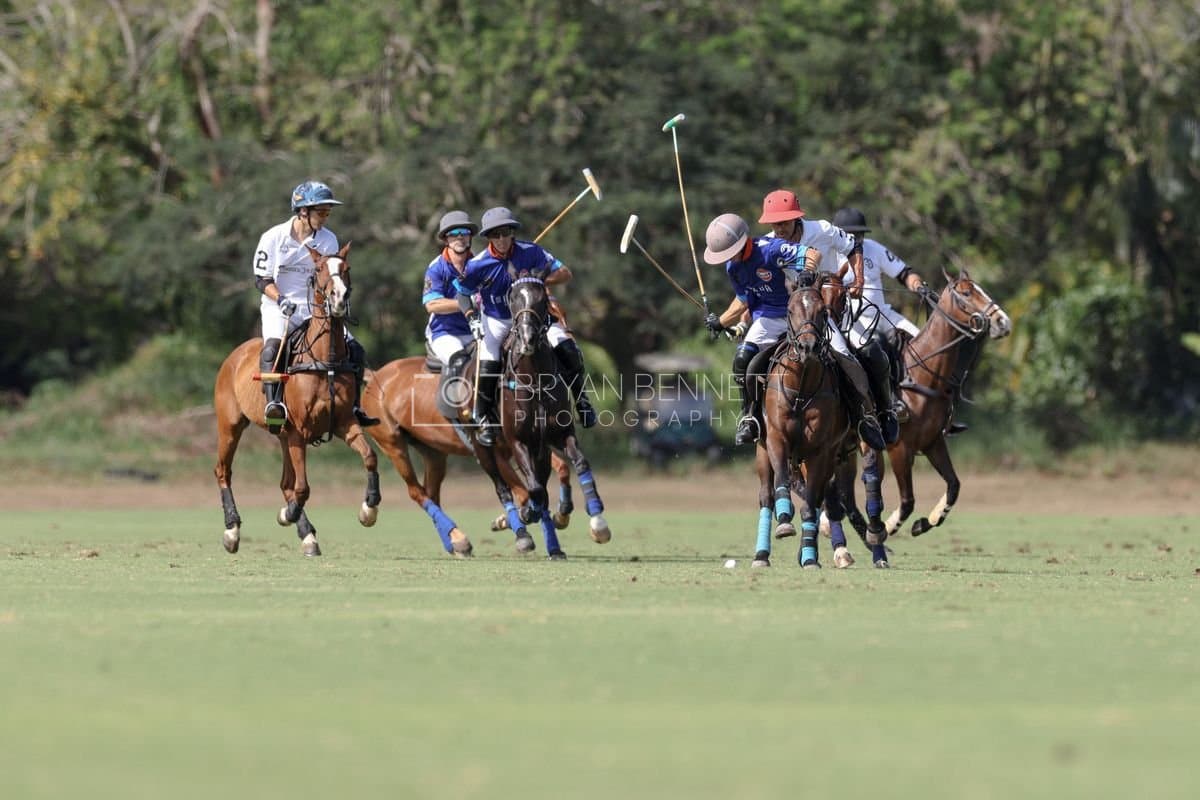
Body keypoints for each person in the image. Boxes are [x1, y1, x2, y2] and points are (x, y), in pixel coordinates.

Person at [702, 213, 887, 451]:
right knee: (742, 359)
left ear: (742, 242)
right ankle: (749, 415)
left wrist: (808, 271)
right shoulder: (733, 267)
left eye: (730, 252)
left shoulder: (771, 248)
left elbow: (813, 254)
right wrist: (721, 321)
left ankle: (864, 416)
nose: (728, 258)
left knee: (844, 355)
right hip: (768, 318)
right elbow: (742, 299)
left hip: (800, 313)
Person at [757, 189, 899, 445]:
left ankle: (875, 414)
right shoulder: (768, 245)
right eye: (773, 223)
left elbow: (853, 246)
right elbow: (758, 284)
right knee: (754, 357)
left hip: (830, 311)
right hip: (792, 316)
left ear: (796, 219)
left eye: (783, 222)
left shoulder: (823, 230)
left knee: (868, 351)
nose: (778, 228)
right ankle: (754, 418)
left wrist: (859, 278)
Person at [454, 207, 596, 446]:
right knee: (488, 360)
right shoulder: (478, 265)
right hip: (498, 319)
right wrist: (472, 317)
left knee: (566, 347)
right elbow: (462, 295)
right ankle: (484, 418)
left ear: (513, 232)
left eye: (506, 232)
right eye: (495, 234)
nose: (501, 239)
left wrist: (536, 279)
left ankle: (582, 402)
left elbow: (565, 273)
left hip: (533, 317)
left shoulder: (532, 251)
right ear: (488, 237)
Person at [252, 180, 379, 431]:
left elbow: (329, 277)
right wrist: (281, 299)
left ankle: (354, 405)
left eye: (328, 213)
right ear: (302, 211)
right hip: (279, 306)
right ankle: (274, 405)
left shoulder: (329, 240)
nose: (325, 218)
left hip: (315, 308)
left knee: (355, 349)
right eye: (321, 212)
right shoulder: (273, 237)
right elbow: (261, 279)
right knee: (272, 349)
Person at [832, 207, 967, 435]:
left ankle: (943, 412)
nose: (855, 239)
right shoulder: (828, 254)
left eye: (859, 235)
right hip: (850, 319)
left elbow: (904, 272)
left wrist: (919, 287)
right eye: (850, 235)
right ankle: (883, 405)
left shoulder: (873, 249)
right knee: (874, 351)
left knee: (925, 347)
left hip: (883, 313)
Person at [422, 210, 479, 384]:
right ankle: (460, 410)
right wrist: (467, 303)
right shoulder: (437, 268)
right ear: (446, 239)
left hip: (476, 331)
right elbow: (432, 304)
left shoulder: (480, 264)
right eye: (454, 233)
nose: (460, 237)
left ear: (470, 237)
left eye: (465, 233)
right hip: (444, 333)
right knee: (461, 362)